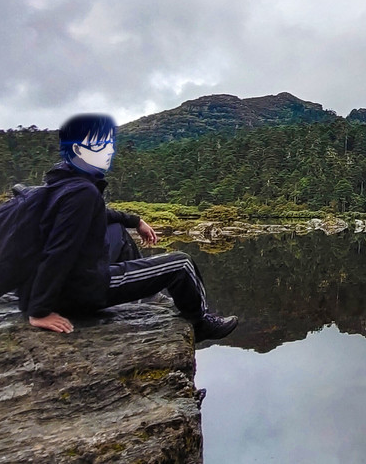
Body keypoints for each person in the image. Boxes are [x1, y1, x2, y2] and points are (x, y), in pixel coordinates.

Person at [17, 113, 237, 342]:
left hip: (62, 287)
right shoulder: (82, 193)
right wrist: (39, 311)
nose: (110, 150)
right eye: (101, 146)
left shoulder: (58, 186)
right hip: (80, 292)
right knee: (182, 264)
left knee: (116, 230)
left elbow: (98, 215)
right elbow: (58, 252)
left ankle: (147, 296)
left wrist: (133, 220)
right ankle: (200, 323)